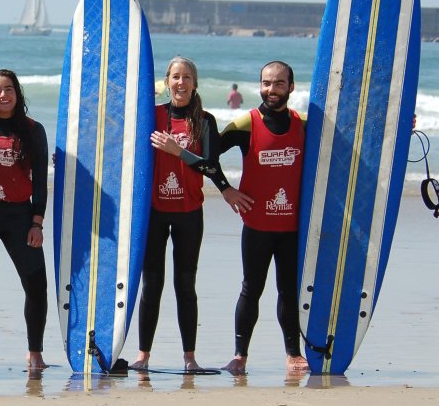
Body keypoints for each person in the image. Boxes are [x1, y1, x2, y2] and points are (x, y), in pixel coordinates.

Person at [132, 56, 230, 373]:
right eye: (176, 76)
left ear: (194, 84)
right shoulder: (151, 116)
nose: (181, 82)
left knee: (185, 285)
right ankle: (143, 356)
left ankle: (190, 358)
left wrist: (179, 151)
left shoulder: (205, 121)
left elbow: (210, 165)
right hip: (155, 213)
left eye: (187, 77)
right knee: (152, 284)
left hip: (189, 212)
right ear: (166, 82)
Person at [216, 61, 309, 375]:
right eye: (267, 83)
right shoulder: (247, 124)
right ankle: (240, 355)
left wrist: (402, 124)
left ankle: (293, 354)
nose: (272, 89)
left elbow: (350, 137)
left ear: (291, 87)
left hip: (292, 227)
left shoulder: (305, 124)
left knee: (289, 290)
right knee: (251, 289)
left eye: (279, 83)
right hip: (257, 226)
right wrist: (226, 189)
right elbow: (207, 153)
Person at [0, 69, 49, 371]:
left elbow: (41, 179)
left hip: (20, 215)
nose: (3, 95)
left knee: (36, 285)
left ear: (17, 93)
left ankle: (35, 352)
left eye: (8, 89)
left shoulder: (32, 130)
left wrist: (37, 222)